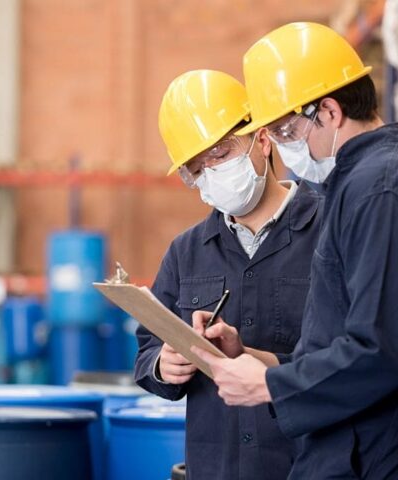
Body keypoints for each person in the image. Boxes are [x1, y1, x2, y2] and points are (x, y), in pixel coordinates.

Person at [192, 22, 398, 479]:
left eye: (286, 130)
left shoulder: (377, 188)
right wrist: (256, 358)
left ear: (328, 111)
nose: (283, 149)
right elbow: (339, 340)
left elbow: (380, 350)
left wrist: (270, 384)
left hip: (369, 455)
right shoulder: (350, 184)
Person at [134, 69, 323, 480]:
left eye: (219, 154)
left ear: (262, 139)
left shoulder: (331, 232)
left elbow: (355, 354)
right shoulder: (186, 252)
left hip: (309, 465)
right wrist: (164, 366)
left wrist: (260, 362)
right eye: (196, 169)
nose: (211, 175)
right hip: (216, 467)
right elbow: (148, 348)